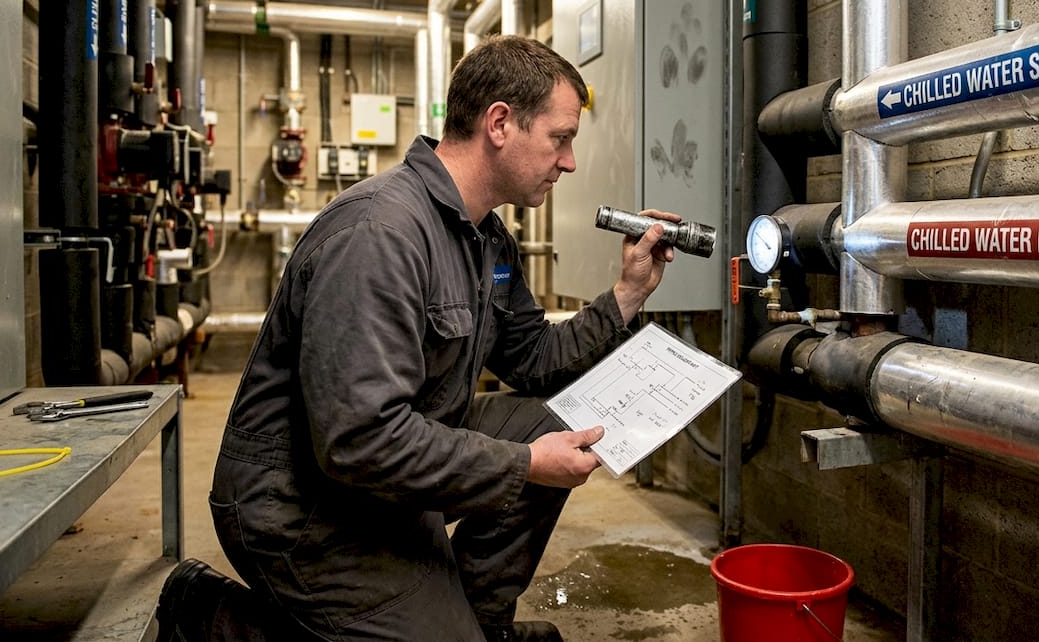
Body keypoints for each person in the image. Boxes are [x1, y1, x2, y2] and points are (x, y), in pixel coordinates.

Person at [155, 34, 680, 641]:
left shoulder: (487, 239)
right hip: (305, 508)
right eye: (560, 139)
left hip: (384, 484)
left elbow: (533, 359)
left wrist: (628, 294)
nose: (569, 162)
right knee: (528, 455)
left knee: (544, 423)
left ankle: (479, 623)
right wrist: (521, 465)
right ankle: (212, 617)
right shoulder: (380, 234)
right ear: (500, 124)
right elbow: (359, 438)